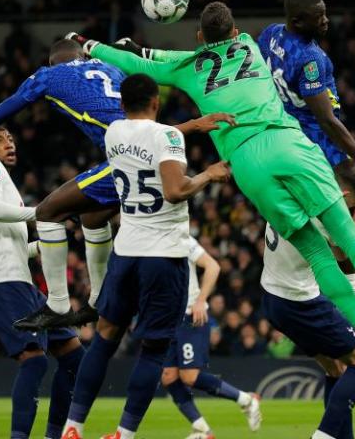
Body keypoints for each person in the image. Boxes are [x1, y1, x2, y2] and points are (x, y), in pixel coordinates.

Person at [66, 1, 355, 372]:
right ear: (236, 33)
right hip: (289, 143)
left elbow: (144, 65)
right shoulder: (252, 46)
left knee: (317, 254)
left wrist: (91, 45)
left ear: (199, 38)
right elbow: (185, 54)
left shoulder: (190, 68)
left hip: (247, 162)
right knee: (349, 238)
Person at [0, 40, 230, 330]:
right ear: (83, 56)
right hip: (143, 155)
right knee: (92, 217)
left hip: (123, 161)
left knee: (49, 210)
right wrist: (195, 125)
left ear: (54, 63)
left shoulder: (48, 77)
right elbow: (147, 130)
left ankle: (57, 305)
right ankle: (96, 302)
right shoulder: (111, 70)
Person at [61, 74, 233, 439]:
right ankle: (124, 434)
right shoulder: (167, 137)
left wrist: (192, 127)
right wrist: (208, 175)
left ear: (123, 106)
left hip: (125, 253)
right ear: (156, 102)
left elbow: (149, 136)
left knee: (104, 338)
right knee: (153, 350)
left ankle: (73, 427)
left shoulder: (114, 132)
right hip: (163, 257)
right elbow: (174, 190)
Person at [0, 126, 86, 439]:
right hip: (2, 280)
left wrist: (53, 237)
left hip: (18, 279)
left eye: (11, 138)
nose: (8, 143)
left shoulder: (4, 182)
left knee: (74, 356)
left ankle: (54, 435)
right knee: (34, 362)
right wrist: (44, 213)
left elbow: (20, 248)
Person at [261, 157, 355, 439]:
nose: (348, 210)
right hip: (299, 302)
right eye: (351, 204)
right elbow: (347, 255)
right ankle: (324, 435)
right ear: (345, 196)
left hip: (271, 296)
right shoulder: (325, 208)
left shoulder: (289, 187)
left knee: (337, 369)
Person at [257, 0, 355, 179]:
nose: (326, 20)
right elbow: (326, 121)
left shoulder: (271, 33)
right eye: (319, 17)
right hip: (318, 140)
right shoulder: (310, 59)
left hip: (286, 130)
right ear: (298, 22)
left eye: (324, 14)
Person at [161, 238, 262, 439]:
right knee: (168, 377)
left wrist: (200, 300)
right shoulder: (146, 242)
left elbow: (213, 266)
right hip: (170, 319)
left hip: (192, 316)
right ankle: (203, 430)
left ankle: (246, 400)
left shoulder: (180, 237)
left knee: (189, 376)